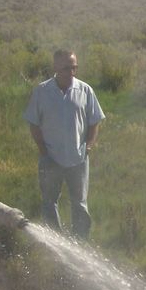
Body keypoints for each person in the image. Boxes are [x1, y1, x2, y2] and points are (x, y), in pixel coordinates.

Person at [23, 49, 105, 238]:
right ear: (55, 68)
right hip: (50, 158)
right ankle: (55, 242)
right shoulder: (42, 92)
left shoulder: (85, 90)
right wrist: (44, 152)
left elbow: (95, 121)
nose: (71, 72)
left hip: (78, 158)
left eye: (74, 67)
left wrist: (89, 147)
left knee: (80, 203)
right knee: (49, 202)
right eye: (67, 68)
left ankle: (81, 241)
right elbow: (33, 123)